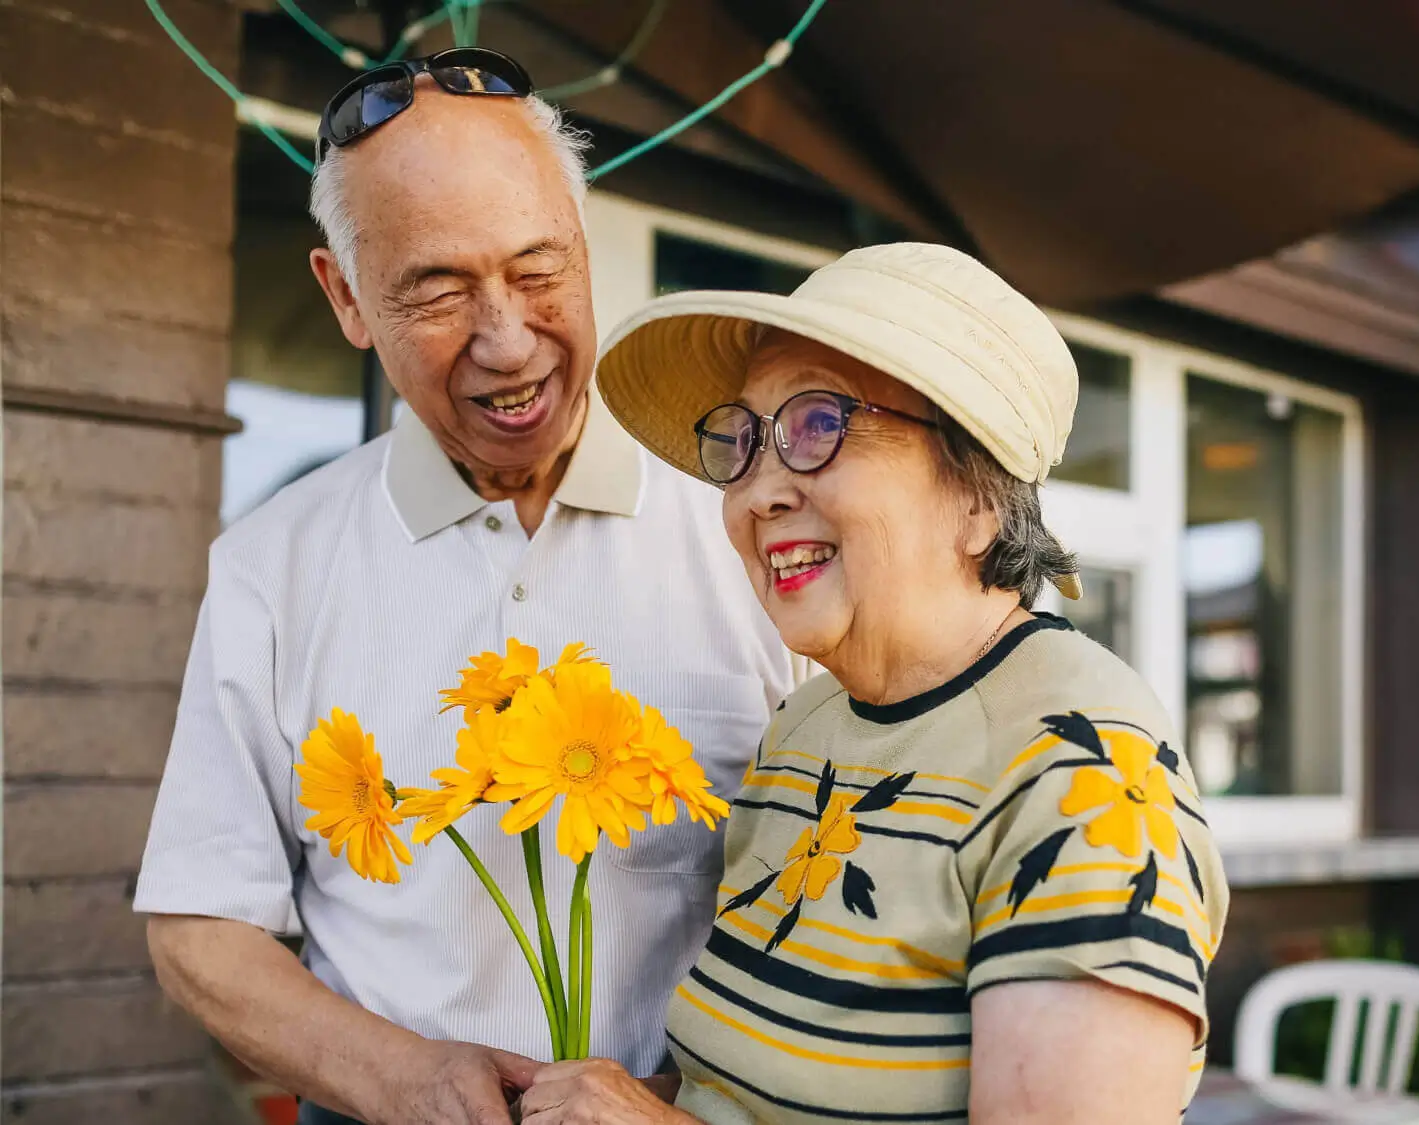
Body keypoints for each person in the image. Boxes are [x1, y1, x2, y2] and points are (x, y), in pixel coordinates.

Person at [135, 51, 790, 1125]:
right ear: (345, 297)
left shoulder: (752, 523)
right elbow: (199, 929)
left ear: (584, 248)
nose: (507, 340)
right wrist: (399, 1076)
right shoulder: (271, 564)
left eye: (539, 271)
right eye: (436, 290)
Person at [517, 243, 1229, 1124]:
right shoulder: (805, 726)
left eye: (820, 424)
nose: (759, 492)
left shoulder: (1087, 776)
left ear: (978, 495)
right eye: (742, 441)